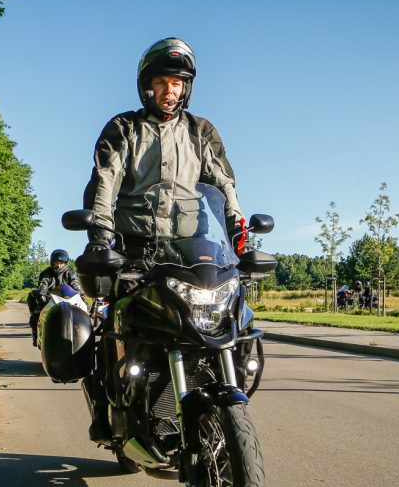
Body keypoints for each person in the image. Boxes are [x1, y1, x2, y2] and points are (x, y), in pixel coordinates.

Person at [79, 37, 246, 442]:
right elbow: (106, 182)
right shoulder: (124, 128)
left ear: (186, 88)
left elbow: (224, 185)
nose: (169, 90)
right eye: (161, 82)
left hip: (191, 251)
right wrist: (101, 237)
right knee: (113, 324)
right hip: (133, 250)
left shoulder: (201, 131)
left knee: (232, 320)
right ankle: (106, 405)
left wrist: (239, 229)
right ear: (146, 86)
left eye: (176, 83)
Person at [28, 249, 84, 347]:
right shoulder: (46, 273)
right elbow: (42, 286)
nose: (59, 265)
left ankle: (84, 337)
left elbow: (76, 285)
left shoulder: (70, 273)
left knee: (86, 315)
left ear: (65, 263)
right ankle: (36, 336)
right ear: (52, 262)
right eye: (56, 262)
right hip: (51, 300)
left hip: (68, 300)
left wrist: (80, 293)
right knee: (34, 318)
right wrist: (41, 292)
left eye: (61, 263)